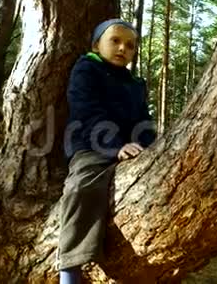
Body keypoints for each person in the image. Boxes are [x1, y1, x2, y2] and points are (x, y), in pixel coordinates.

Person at [58, 19, 156, 283]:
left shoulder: (135, 84)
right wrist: (114, 146)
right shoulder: (86, 69)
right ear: (95, 44)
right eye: (115, 40)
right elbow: (86, 111)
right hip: (92, 149)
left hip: (130, 149)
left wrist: (151, 148)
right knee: (81, 188)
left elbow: (143, 121)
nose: (122, 48)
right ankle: (69, 271)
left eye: (130, 45)